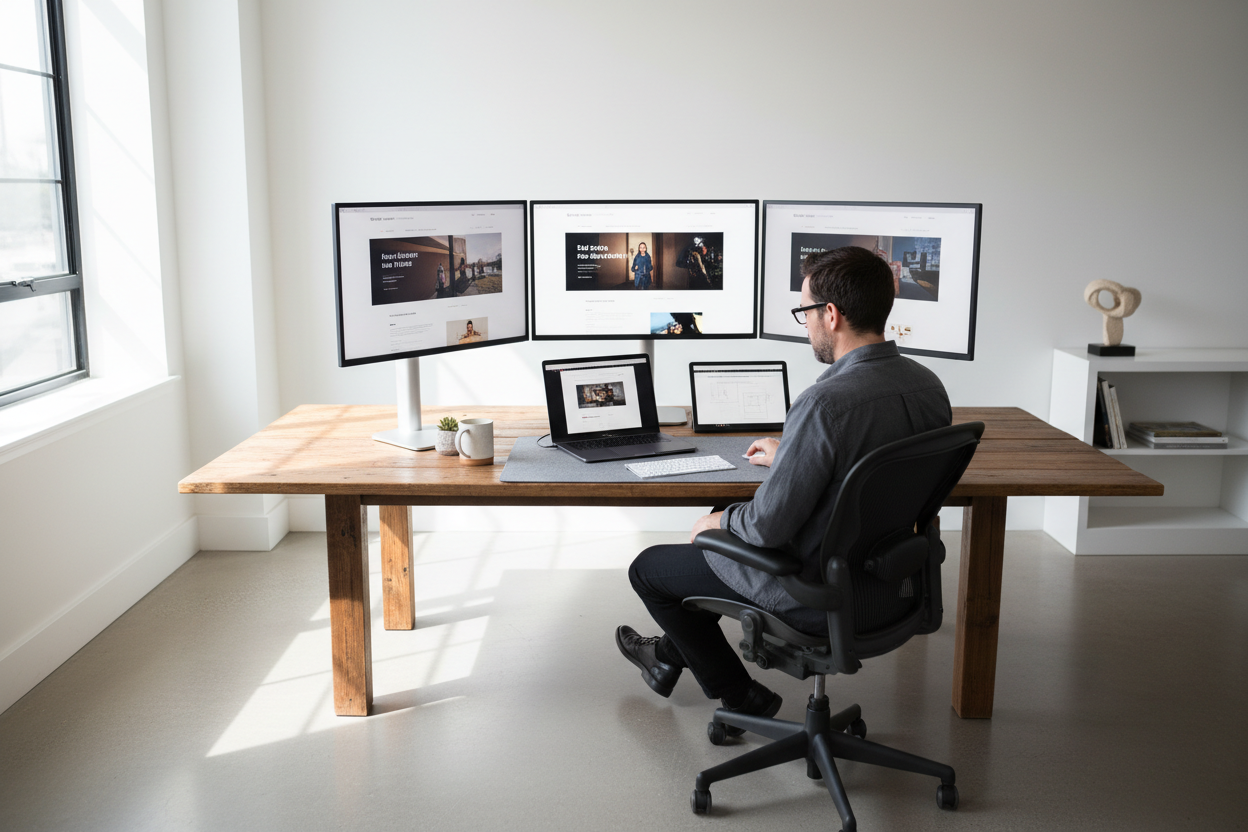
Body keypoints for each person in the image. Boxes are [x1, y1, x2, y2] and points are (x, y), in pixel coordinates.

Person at [616, 245, 952, 723]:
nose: (807, 324)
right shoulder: (927, 387)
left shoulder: (825, 403)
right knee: (722, 521)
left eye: (805, 311)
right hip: (884, 580)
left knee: (652, 568)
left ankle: (739, 696)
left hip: (813, 589)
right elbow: (864, 471)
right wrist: (790, 454)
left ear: (831, 314)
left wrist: (716, 523)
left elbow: (769, 528)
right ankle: (669, 657)